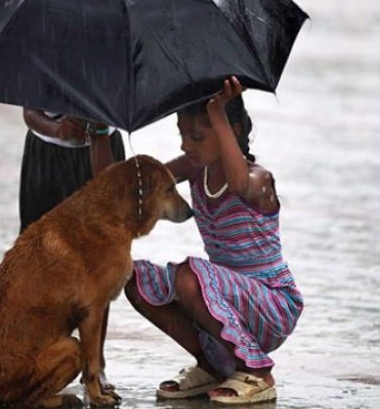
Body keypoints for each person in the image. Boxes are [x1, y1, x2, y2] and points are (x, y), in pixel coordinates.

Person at [124, 76, 303, 405]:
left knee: (189, 277)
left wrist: (218, 110)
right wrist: (100, 133)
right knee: (131, 278)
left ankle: (257, 372)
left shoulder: (258, 179)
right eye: (182, 133)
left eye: (197, 136)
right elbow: (136, 184)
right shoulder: (195, 169)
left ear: (230, 132)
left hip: (272, 305)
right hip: (220, 302)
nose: (185, 145)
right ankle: (212, 364)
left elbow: (238, 183)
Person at [18, 108, 126, 395]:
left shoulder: (112, 62)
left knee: (102, 263)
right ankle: (45, 358)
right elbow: (29, 111)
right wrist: (55, 129)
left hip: (102, 149)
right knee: (41, 261)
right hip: (47, 154)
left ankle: (95, 364)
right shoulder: (41, 60)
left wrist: (101, 126)